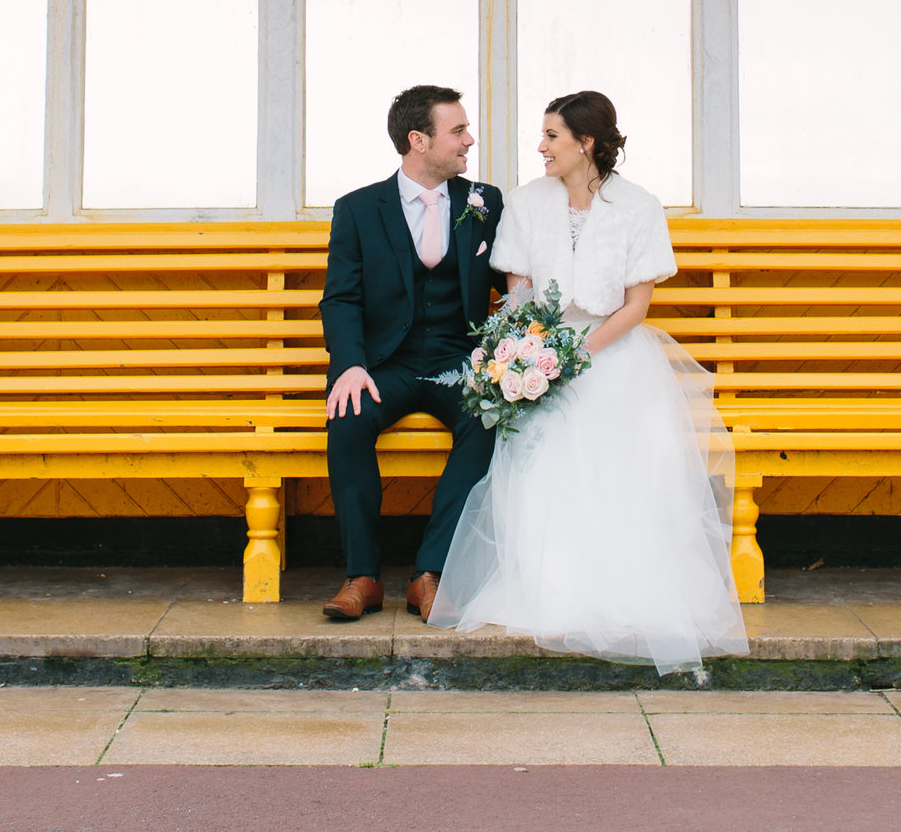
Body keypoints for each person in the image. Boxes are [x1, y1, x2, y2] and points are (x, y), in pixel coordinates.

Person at [427, 90, 748, 674]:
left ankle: (628, 587)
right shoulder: (526, 204)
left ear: (587, 143)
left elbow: (636, 307)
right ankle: (550, 585)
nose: (541, 147)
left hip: (615, 351)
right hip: (541, 353)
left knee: (620, 443)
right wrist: (528, 354)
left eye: (552, 136)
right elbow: (519, 292)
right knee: (543, 445)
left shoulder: (639, 207)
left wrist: (575, 354)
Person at [316, 85, 506, 623]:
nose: (470, 140)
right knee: (347, 418)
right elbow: (341, 296)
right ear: (418, 141)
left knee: (488, 419)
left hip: (456, 361)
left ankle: (431, 572)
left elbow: (511, 281)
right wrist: (350, 365)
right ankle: (362, 577)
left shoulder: (484, 202)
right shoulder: (357, 209)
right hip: (385, 364)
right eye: (458, 131)